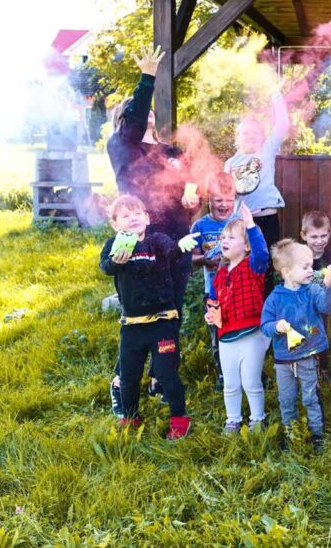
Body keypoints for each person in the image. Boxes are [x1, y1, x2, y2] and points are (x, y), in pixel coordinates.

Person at [105, 46, 200, 409]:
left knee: (172, 309)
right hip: (141, 241)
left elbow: (188, 189)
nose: (143, 119)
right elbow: (133, 122)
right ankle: (121, 381)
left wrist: (192, 202)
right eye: (135, 114)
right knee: (140, 314)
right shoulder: (122, 146)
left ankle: (161, 377)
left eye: (146, 114)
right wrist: (147, 78)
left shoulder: (169, 152)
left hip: (174, 238)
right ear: (125, 119)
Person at [99, 194, 193, 439]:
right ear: (115, 223)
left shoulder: (157, 241)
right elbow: (106, 268)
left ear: (147, 218)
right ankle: (130, 417)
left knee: (165, 373)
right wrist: (115, 262)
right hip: (131, 326)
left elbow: (172, 252)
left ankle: (179, 419)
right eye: (126, 216)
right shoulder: (114, 244)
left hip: (163, 321)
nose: (133, 219)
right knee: (128, 376)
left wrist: (180, 247)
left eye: (137, 213)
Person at [261, 239, 331, 451]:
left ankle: (317, 434)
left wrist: (330, 287)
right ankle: (291, 433)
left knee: (310, 397)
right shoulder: (275, 298)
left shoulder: (313, 290)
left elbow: (326, 306)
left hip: (308, 355)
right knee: (286, 400)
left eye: (311, 266)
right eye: (305, 267)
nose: (310, 270)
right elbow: (264, 325)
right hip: (283, 361)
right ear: (286, 272)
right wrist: (275, 326)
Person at [206, 205, 271, 434]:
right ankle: (232, 420)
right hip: (226, 337)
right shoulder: (220, 274)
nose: (225, 240)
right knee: (231, 384)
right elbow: (214, 301)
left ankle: (257, 419)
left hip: (251, 333)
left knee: (251, 383)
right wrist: (211, 312)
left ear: (246, 246)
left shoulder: (253, 267)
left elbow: (263, 254)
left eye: (231, 237)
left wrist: (251, 226)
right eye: (223, 237)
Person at [188, 172, 238, 390]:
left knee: (242, 333)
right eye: (219, 200)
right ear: (209, 199)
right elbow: (192, 258)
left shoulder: (240, 223)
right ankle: (223, 375)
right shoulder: (199, 226)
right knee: (218, 335)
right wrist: (206, 259)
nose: (224, 205)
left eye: (229, 200)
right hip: (214, 292)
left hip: (240, 292)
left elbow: (254, 254)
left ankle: (246, 371)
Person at [224, 89, 290, 253]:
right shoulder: (230, 163)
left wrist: (276, 96)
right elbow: (226, 194)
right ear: (237, 137)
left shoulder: (266, 151)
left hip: (267, 217)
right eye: (246, 133)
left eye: (256, 133)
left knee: (266, 260)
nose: (251, 136)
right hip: (241, 221)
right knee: (243, 262)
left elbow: (282, 125)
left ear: (262, 137)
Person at [301, 211, 331, 384]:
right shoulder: (298, 257)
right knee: (302, 338)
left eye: (323, 235)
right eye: (314, 236)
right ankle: (302, 371)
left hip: (321, 308)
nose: (319, 241)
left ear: (329, 233)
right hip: (301, 307)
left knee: (320, 336)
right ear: (303, 235)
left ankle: (323, 370)